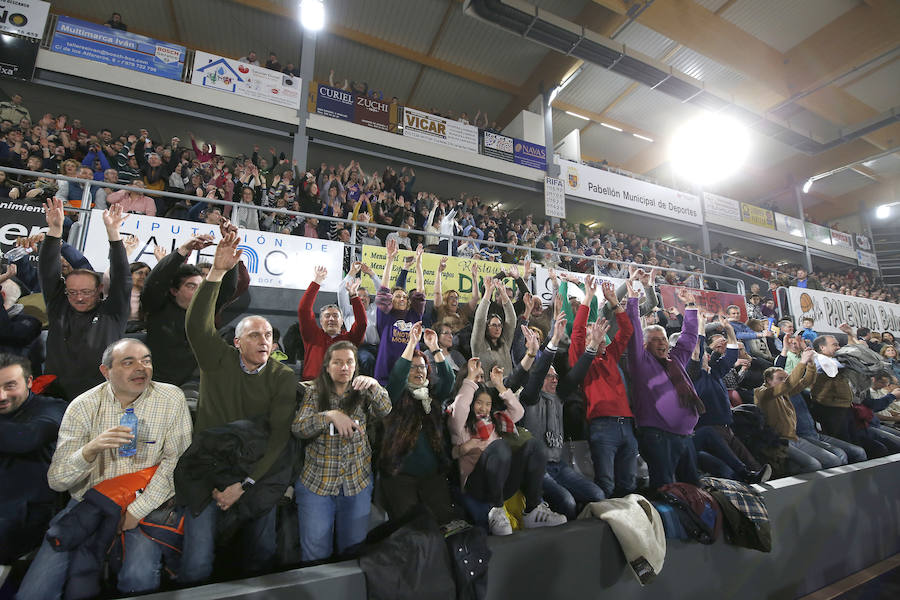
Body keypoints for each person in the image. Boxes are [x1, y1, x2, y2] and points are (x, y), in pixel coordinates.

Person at [16, 339, 192, 598]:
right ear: (105, 371)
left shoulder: (171, 398)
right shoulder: (82, 406)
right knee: (35, 591)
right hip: (89, 504)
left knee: (138, 578)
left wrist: (135, 512)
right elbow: (57, 480)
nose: (141, 368)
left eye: (146, 360)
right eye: (128, 362)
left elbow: (176, 463)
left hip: (144, 501)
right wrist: (90, 450)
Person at [180, 231, 296, 584]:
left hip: (255, 474)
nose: (264, 341)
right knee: (198, 563)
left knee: (259, 558)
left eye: (269, 337)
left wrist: (244, 485)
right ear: (236, 341)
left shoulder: (282, 375)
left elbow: (278, 438)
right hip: (207, 471)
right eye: (255, 335)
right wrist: (215, 273)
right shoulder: (217, 358)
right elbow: (196, 326)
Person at [292, 342, 391, 560]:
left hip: (356, 485)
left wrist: (375, 385)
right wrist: (329, 415)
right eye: (337, 362)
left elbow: (385, 410)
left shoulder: (364, 392)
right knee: (315, 555)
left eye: (349, 362)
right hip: (317, 485)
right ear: (327, 366)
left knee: (352, 552)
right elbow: (299, 428)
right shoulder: (315, 393)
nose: (344, 367)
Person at [448, 358, 565, 535]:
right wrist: (470, 379)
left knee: (534, 445)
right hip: (477, 484)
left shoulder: (493, 416)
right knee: (500, 447)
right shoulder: (458, 417)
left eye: (481, 377)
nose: (478, 381)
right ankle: (496, 510)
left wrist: (499, 385)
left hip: (502, 481)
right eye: (474, 378)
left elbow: (518, 412)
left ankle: (532, 510)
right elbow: (462, 406)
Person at [40, 199, 131, 400]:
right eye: (72, 292)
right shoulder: (59, 306)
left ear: (99, 289)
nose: (79, 298)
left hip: (101, 399)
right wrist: (55, 230)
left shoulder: (113, 311)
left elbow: (123, 278)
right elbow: (47, 272)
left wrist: (114, 235)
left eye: (86, 292)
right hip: (55, 397)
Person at [525, 315, 605, 519]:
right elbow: (537, 373)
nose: (554, 379)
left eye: (556, 376)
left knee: (598, 494)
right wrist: (552, 343)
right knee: (566, 501)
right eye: (549, 376)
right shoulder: (529, 397)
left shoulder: (559, 396)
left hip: (559, 465)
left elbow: (577, 374)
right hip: (538, 470)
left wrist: (593, 345)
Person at [378, 323, 457, 523]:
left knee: (443, 520)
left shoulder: (433, 396)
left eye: (421, 367)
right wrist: (412, 342)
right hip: (400, 475)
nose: (418, 371)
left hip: (432, 476)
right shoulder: (394, 395)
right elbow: (396, 376)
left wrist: (435, 348)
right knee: (407, 525)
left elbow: (449, 379)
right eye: (412, 367)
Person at [627, 287, 704, 489]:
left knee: (691, 486)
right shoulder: (640, 363)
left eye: (663, 339)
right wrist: (632, 302)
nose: (662, 343)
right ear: (644, 345)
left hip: (685, 435)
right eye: (655, 340)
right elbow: (633, 332)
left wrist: (690, 306)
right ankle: (668, 521)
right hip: (658, 436)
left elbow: (688, 338)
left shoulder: (675, 359)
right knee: (666, 487)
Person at [142, 230, 240, 385]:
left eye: (200, 286)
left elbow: (227, 289)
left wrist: (229, 260)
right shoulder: (158, 307)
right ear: (174, 291)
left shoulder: (206, 310)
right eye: (191, 286)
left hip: (194, 385)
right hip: (157, 382)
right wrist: (184, 250)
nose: (198, 291)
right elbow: (154, 282)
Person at [569, 278, 638, 498]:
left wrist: (615, 303)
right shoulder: (581, 361)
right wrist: (587, 299)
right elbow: (577, 332)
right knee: (606, 484)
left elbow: (626, 330)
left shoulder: (610, 355)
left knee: (629, 485)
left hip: (627, 425)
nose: (597, 335)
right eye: (593, 333)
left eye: (600, 333)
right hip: (602, 426)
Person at [0, 354, 66, 564]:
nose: (1, 396)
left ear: (29, 382)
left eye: (10, 386)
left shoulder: (54, 408)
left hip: (28, 516)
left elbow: (27, 438)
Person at [298, 265, 367, 380]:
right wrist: (317, 282)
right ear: (320, 321)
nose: (331, 319)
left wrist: (354, 296)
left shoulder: (350, 339)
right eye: (327, 316)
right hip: (312, 386)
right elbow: (303, 310)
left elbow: (362, 324)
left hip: (341, 387)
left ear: (342, 321)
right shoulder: (312, 335)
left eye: (335, 316)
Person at [374, 240, 426, 385]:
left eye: (404, 296)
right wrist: (390, 260)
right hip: (386, 376)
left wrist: (418, 264)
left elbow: (420, 292)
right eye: (397, 296)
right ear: (391, 300)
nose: (402, 298)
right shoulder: (385, 316)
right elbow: (384, 289)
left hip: (412, 376)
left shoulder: (414, 316)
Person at [471, 277, 516, 377]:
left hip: (507, 387)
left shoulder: (504, 343)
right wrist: (488, 293)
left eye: (500, 326)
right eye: (494, 325)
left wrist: (504, 294)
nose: (497, 328)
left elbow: (512, 320)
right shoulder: (478, 344)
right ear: (487, 327)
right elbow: (479, 320)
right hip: (487, 389)